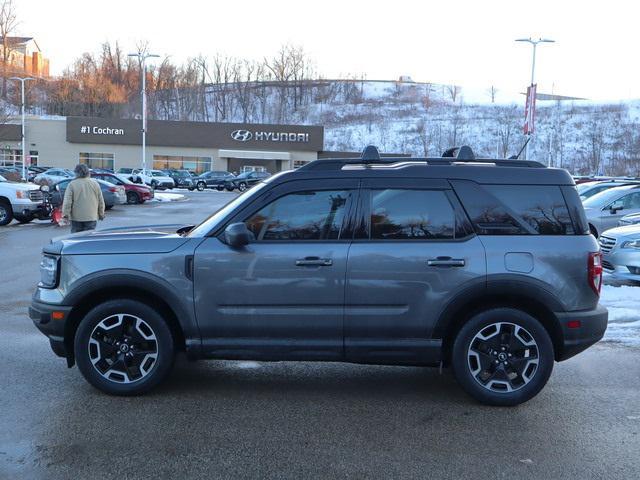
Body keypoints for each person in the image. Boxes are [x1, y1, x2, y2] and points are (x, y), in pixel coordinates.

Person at [62, 164, 105, 233]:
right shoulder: (95, 184)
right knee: (88, 238)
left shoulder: (72, 184)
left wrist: (65, 215)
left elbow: (67, 202)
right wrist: (101, 213)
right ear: (88, 172)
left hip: (76, 218)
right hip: (91, 217)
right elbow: (100, 201)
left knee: (76, 238)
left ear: (76, 173)